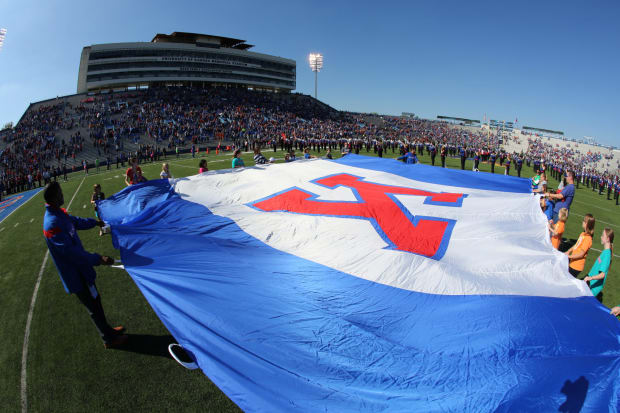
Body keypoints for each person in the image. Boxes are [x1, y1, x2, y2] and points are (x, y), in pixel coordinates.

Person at [42, 182, 127, 349]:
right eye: (59, 193)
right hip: (76, 274)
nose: (62, 196)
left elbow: (76, 222)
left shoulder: (59, 214)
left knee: (96, 300)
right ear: (52, 198)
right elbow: (72, 254)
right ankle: (108, 339)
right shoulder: (51, 225)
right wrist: (98, 258)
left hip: (82, 270)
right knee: (93, 306)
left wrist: (94, 223)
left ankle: (108, 330)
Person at [583, 228, 613, 302]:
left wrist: (591, 278)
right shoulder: (605, 251)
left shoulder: (607, 255)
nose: (601, 237)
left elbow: (602, 275)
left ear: (608, 239)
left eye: (603, 235)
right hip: (590, 282)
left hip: (593, 287)